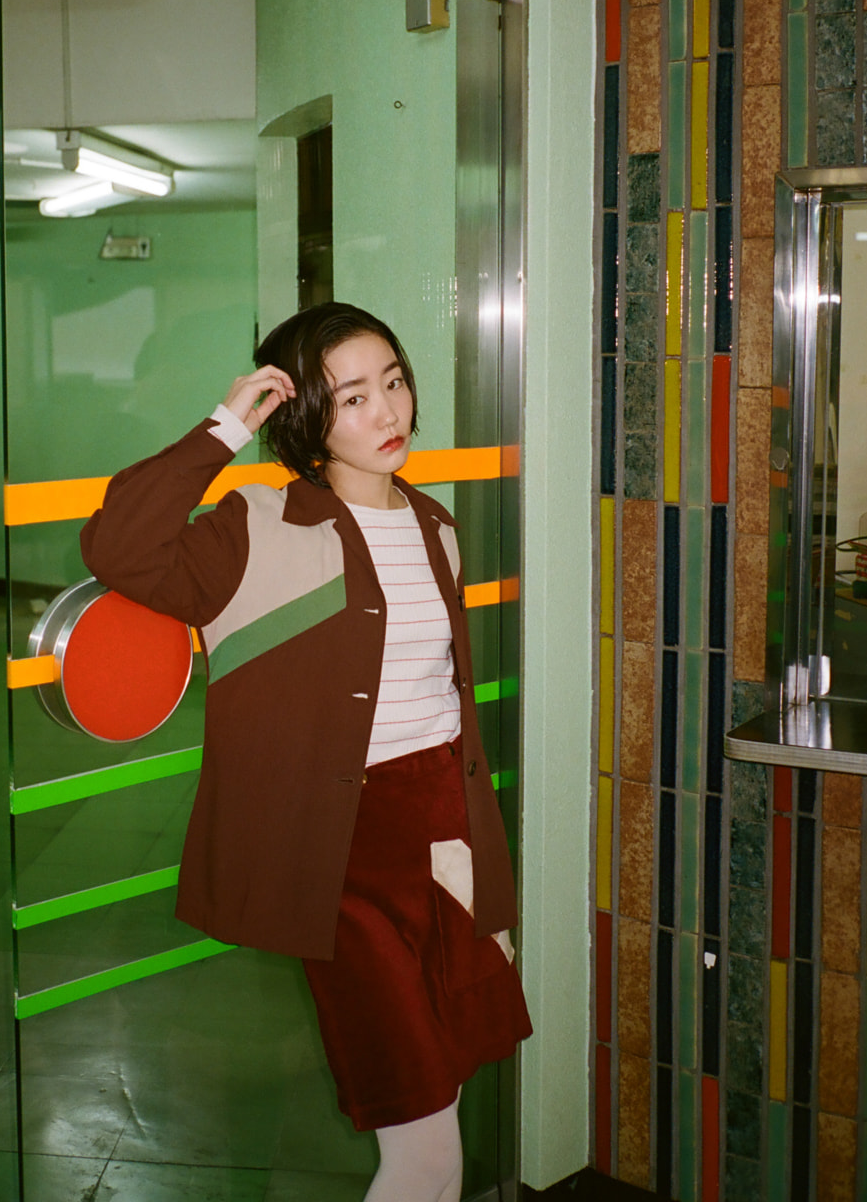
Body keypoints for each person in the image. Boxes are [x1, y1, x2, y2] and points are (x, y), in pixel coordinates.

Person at [80, 301, 532, 1202]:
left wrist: (479, 864)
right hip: (342, 864)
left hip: (443, 841)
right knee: (421, 1143)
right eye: (352, 397)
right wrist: (223, 427)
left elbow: (445, 712)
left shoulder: (435, 526)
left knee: (443, 1107)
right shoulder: (259, 526)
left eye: (393, 382)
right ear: (305, 419)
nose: (387, 411)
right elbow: (119, 545)